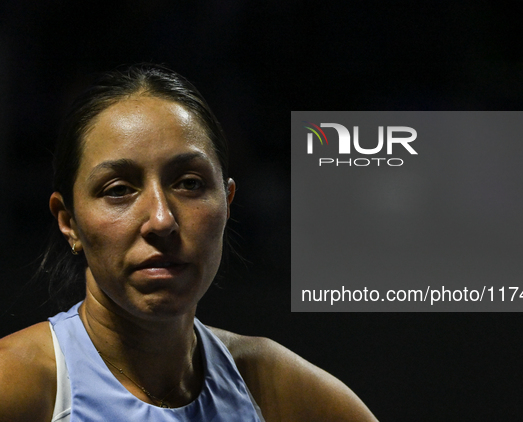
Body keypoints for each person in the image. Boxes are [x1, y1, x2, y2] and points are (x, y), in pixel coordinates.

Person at [0, 64, 378, 422]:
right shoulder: (18, 382)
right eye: (118, 190)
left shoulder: (272, 385)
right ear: (69, 222)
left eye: (189, 183)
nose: (162, 219)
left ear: (227, 204)